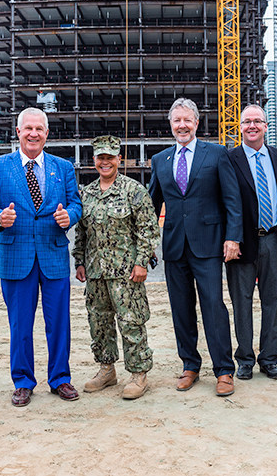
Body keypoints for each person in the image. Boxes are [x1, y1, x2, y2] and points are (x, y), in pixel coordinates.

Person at [0, 107, 82, 407]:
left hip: (53, 256)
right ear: (18, 132)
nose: (33, 133)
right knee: (20, 325)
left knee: (59, 323)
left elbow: (76, 203)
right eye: (28, 128)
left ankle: (60, 378)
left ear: (46, 133)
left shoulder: (63, 168)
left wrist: (69, 217)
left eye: (39, 128)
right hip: (16, 257)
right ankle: (23, 381)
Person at [148, 98, 243, 397]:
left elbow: (232, 200)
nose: (182, 125)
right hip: (175, 246)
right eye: (177, 120)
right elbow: (151, 206)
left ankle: (224, 370)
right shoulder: (160, 160)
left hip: (209, 245)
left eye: (187, 120)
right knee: (181, 310)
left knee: (213, 307)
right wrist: (147, 243)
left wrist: (233, 237)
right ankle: (190, 365)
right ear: (171, 124)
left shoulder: (216, 154)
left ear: (197, 123)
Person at [72, 136, 161, 400]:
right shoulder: (86, 194)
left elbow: (148, 229)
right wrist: (79, 261)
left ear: (118, 159)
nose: (105, 162)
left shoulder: (134, 191)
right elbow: (82, 232)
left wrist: (141, 261)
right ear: (94, 161)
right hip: (96, 272)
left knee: (131, 322)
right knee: (99, 323)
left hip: (126, 273)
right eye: (100, 158)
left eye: (110, 157)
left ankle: (138, 373)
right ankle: (106, 369)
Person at [226, 105, 277, 381]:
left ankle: (269, 359)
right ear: (240, 127)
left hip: (273, 239)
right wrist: (231, 238)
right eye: (246, 121)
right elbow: (225, 203)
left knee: (271, 301)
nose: (252, 125)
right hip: (242, 242)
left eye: (257, 121)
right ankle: (245, 359)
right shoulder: (229, 159)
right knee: (241, 302)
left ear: (266, 126)